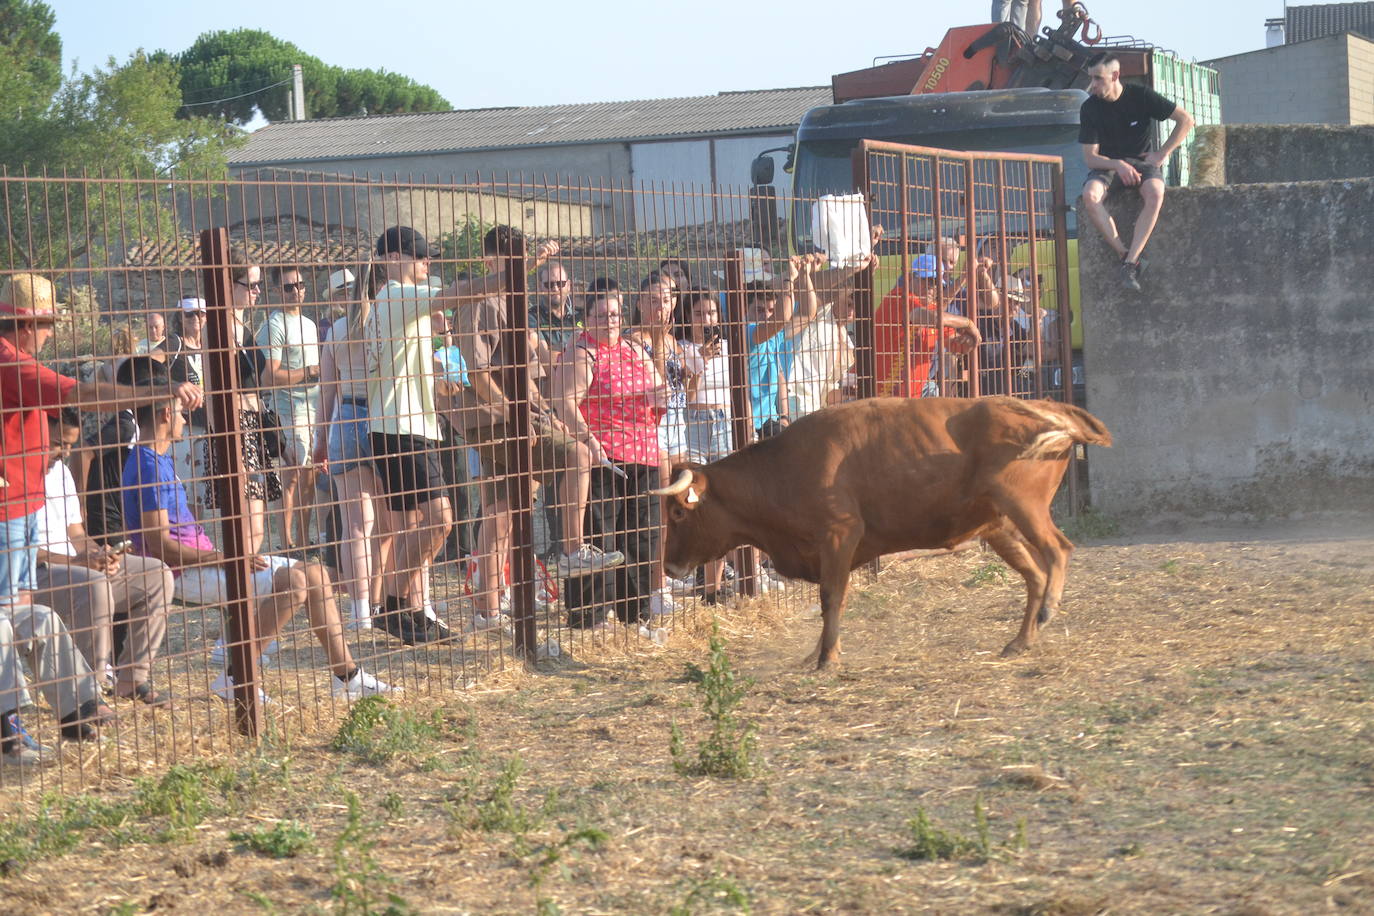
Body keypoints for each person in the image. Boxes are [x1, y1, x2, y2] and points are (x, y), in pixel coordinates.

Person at [2, 273, 201, 763]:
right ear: (29, 325)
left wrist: (89, 548)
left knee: (27, 615)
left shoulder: (18, 361)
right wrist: (153, 394)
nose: (49, 336)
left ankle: (79, 707)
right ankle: (12, 729)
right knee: (9, 621)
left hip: (22, 506)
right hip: (8, 511)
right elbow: (80, 397)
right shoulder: (8, 361)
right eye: (47, 326)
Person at [121, 362, 394, 702]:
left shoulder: (156, 459)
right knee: (296, 583)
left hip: (203, 563)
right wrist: (228, 558)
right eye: (179, 414)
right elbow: (159, 544)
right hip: (184, 571)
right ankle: (236, 678)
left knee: (313, 574)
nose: (184, 419)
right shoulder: (147, 465)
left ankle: (347, 677)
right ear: (164, 414)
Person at [451, 226, 624, 630]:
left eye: (523, 260)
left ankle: (487, 612)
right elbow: (477, 373)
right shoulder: (476, 302)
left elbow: (538, 363)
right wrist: (515, 414)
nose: (522, 267)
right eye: (513, 260)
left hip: (521, 415)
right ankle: (571, 549)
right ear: (488, 262)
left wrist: (548, 405)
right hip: (496, 419)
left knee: (501, 513)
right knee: (577, 455)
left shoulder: (516, 301)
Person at [35, 408, 173, 706]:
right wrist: (79, 563)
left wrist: (99, 552)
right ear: (36, 432)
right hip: (35, 575)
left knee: (157, 575)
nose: (63, 454)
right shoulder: (12, 473)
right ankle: (88, 693)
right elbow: (17, 551)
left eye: (70, 446)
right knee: (93, 584)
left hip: (76, 568)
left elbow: (77, 534)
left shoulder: (60, 472)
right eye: (57, 443)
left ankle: (131, 679)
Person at [553, 290, 668, 628]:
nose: (609, 322)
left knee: (639, 536)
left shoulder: (634, 348)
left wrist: (659, 391)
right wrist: (589, 441)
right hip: (603, 456)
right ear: (586, 318)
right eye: (601, 316)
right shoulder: (580, 353)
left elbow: (657, 385)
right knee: (599, 537)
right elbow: (566, 403)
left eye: (615, 315)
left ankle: (636, 614)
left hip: (643, 451)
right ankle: (589, 618)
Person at [313, 269, 392, 632]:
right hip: (383, 416)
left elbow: (326, 391)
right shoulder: (387, 323)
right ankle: (383, 600)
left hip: (345, 416)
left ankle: (360, 612)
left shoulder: (337, 331)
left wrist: (318, 441)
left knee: (354, 527)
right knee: (388, 523)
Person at [1078, 51, 1194, 291]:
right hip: (1109, 165)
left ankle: (1131, 262)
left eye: (1098, 79)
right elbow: (1090, 158)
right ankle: (1124, 254)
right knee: (1090, 195)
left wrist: (1162, 154)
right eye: (1091, 78)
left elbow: (1186, 120)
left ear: (1115, 76)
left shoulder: (1140, 96)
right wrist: (1118, 165)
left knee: (1155, 193)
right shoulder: (1089, 108)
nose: (1093, 86)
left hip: (1142, 162)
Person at [202, 250, 282, 557]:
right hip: (233, 429)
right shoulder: (217, 328)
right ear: (228, 285)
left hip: (253, 428)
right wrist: (227, 443)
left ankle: (243, 593)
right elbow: (213, 391)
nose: (258, 290)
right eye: (250, 284)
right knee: (248, 527)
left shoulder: (244, 328)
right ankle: (239, 595)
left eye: (258, 283)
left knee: (256, 527)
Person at [257, 264, 322, 551]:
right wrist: (309, 372)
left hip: (312, 408)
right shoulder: (273, 325)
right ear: (276, 291)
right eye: (288, 287)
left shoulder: (309, 324)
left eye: (300, 285)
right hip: (288, 411)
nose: (296, 291)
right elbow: (268, 376)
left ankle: (303, 540)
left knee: (309, 477)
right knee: (291, 479)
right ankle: (286, 542)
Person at [678, 287, 734, 604]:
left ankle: (714, 586)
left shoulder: (728, 347)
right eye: (700, 313)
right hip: (694, 422)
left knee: (722, 505)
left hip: (723, 422)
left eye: (712, 313)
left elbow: (734, 388)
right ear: (688, 316)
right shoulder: (682, 348)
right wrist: (700, 361)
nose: (707, 319)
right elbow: (685, 395)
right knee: (694, 501)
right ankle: (694, 573)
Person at [874, 254, 981, 398]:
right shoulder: (899, 298)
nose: (932, 287)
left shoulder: (931, 309)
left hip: (912, 397)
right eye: (927, 280)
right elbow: (933, 318)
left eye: (937, 283)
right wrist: (969, 324)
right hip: (881, 394)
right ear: (911, 278)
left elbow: (956, 346)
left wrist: (969, 342)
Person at [529, 260, 580, 359]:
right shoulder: (532, 317)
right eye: (549, 284)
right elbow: (543, 357)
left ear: (569, 286)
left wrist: (554, 350)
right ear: (539, 287)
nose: (555, 289)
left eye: (561, 283)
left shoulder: (581, 316)